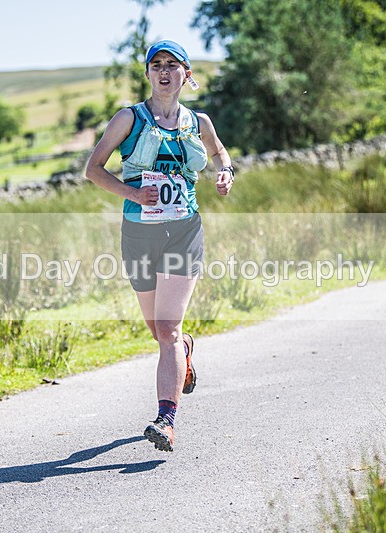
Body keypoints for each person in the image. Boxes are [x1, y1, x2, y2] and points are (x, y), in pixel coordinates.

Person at [85, 40, 234, 452]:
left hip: (184, 230)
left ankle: (165, 420)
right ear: (148, 73)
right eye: (157, 65)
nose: (164, 71)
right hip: (139, 234)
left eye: (172, 64)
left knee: (167, 328)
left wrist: (226, 172)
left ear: (187, 74)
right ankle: (184, 350)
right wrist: (134, 194)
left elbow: (219, 152)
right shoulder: (128, 119)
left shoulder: (198, 122)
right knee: (160, 332)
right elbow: (93, 169)